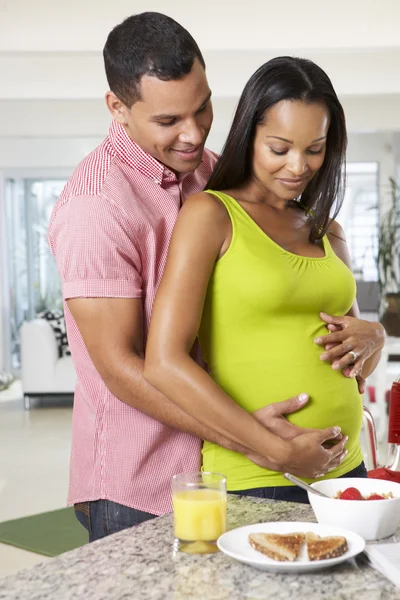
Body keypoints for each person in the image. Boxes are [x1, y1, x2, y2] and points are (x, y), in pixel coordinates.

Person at [49, 13, 381, 538]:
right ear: (117, 108)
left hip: (245, 464)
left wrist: (371, 333)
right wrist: (259, 442)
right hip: (139, 480)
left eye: (202, 107)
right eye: (168, 120)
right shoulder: (96, 206)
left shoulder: (212, 171)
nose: (193, 132)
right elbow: (121, 366)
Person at [144, 56, 385, 503]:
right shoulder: (211, 216)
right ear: (249, 135)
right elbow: (163, 362)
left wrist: (375, 337)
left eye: (315, 149)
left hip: (348, 472)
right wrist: (276, 450)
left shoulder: (327, 229)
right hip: (260, 477)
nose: (298, 166)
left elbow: (354, 365)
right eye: (280, 148)